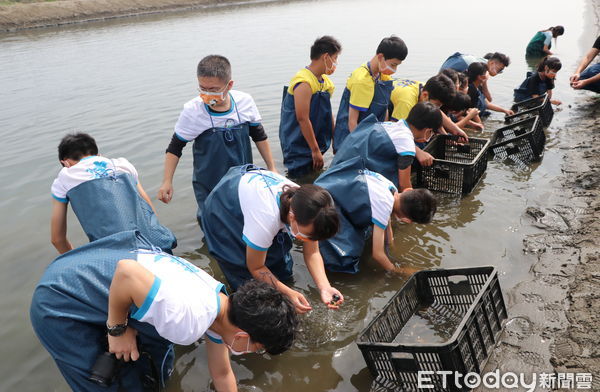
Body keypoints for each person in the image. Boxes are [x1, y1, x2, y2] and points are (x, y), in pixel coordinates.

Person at [30, 230, 297, 392]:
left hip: (87, 267)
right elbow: (126, 273)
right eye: (258, 348)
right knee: (110, 390)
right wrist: (117, 329)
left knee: (150, 374)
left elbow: (222, 372)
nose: (252, 352)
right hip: (60, 298)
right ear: (243, 336)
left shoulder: (221, 307)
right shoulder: (189, 317)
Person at [201, 165, 343, 314]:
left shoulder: (309, 206)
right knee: (247, 282)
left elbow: (312, 252)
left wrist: (325, 287)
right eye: (308, 235)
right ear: (292, 217)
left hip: (252, 195)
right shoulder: (266, 217)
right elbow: (255, 267)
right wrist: (288, 293)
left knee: (280, 268)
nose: (309, 240)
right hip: (225, 210)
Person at [157, 55, 277, 223]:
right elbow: (175, 147)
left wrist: (272, 167)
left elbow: (259, 136)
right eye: (202, 88)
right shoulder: (193, 111)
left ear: (229, 85)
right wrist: (167, 181)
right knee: (212, 222)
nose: (206, 94)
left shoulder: (245, 102)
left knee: (244, 220)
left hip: (242, 180)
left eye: (213, 90)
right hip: (209, 182)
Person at [50, 133, 176, 254]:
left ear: (65, 163)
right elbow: (149, 210)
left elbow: (57, 239)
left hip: (113, 251)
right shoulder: (123, 165)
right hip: (153, 243)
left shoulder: (64, 177)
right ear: (99, 155)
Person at [315, 157, 436, 274]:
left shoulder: (391, 188)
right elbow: (377, 254)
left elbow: (386, 223)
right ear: (406, 220)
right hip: (323, 201)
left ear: (407, 191)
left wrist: (391, 244)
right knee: (346, 259)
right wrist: (397, 271)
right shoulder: (384, 207)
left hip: (330, 181)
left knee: (368, 231)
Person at [331, 102, 442, 193]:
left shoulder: (390, 125)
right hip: (349, 181)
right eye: (432, 133)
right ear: (428, 131)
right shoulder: (406, 144)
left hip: (336, 170)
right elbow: (405, 186)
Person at [279, 36, 342, 178]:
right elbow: (302, 118)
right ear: (326, 57)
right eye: (335, 58)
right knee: (300, 178)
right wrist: (314, 150)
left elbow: (328, 113)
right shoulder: (304, 82)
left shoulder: (326, 82)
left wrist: (334, 139)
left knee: (315, 176)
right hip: (298, 143)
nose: (336, 63)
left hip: (317, 141)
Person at [332, 35, 408, 153]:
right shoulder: (361, 80)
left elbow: (385, 109)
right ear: (381, 57)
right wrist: (361, 148)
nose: (394, 69)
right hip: (351, 140)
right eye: (393, 64)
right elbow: (352, 122)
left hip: (371, 135)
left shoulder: (383, 76)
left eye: (397, 65)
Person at [440, 52, 510, 103]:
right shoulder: (480, 67)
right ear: (492, 63)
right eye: (499, 69)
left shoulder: (482, 63)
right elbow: (488, 97)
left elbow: (487, 96)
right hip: (449, 75)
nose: (498, 73)